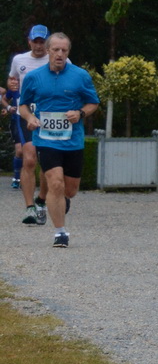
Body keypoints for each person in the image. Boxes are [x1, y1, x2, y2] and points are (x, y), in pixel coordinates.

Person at [17, 33, 100, 249]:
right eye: (56, 50)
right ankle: (60, 233)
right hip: (45, 139)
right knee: (55, 182)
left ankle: (62, 200)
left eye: (64, 50)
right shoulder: (34, 77)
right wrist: (30, 118)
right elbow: (23, 105)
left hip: (73, 140)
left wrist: (80, 113)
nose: (60, 54)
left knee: (69, 189)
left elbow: (93, 102)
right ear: (48, 51)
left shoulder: (80, 76)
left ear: (68, 53)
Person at [11, 25, 52, 224]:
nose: (38, 45)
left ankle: (41, 200)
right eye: (35, 41)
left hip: (50, 116)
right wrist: (11, 84)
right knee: (29, 159)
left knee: (46, 162)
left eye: (42, 41)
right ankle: (29, 208)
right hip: (25, 114)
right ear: (29, 41)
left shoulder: (58, 58)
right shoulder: (19, 60)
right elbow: (12, 80)